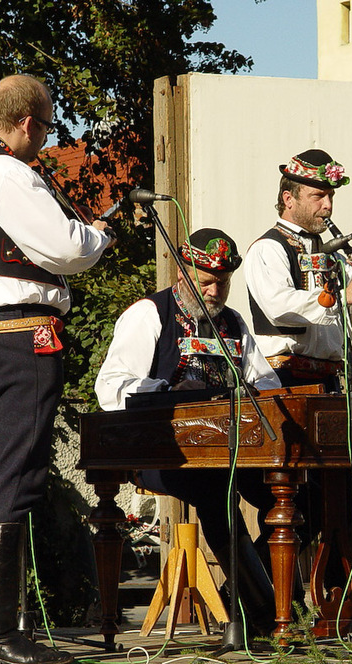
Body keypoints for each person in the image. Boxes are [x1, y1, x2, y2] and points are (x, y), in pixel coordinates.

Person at [0, 74, 114, 664]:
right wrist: (97, 237)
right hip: (19, 340)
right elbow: (64, 247)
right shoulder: (4, 169)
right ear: (29, 124)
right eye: (46, 128)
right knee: (15, 477)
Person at [95, 228, 281, 635]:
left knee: (296, 496)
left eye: (224, 282)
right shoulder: (149, 314)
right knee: (214, 490)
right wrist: (167, 390)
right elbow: (110, 387)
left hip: (231, 449)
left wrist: (247, 391)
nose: (216, 291)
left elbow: (267, 384)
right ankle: (263, 610)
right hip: (163, 451)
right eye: (207, 281)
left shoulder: (233, 323)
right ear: (182, 273)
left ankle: (245, 597)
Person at [243, 149, 352, 390]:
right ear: (289, 199)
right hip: (285, 379)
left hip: (331, 378)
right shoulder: (268, 248)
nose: (328, 206)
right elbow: (279, 307)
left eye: (331, 196)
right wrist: (343, 297)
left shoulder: (333, 255)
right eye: (318, 196)